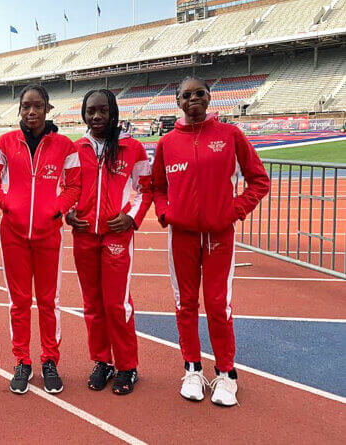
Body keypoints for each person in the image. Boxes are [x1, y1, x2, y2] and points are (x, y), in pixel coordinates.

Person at [151, 75, 269, 406]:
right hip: (182, 237)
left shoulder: (230, 135)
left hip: (219, 237)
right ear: (177, 101)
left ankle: (226, 374)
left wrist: (234, 210)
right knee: (185, 303)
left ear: (209, 97)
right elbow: (157, 187)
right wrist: (165, 214)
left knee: (218, 305)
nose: (193, 99)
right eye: (186, 95)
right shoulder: (166, 143)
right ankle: (192, 369)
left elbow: (258, 180)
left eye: (199, 93)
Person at [0, 84, 81, 395]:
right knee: (19, 302)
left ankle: (50, 361)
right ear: (19, 109)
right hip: (12, 234)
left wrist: (57, 210)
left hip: (48, 234)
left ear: (47, 109)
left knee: (49, 301)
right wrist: (8, 206)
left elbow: (74, 187)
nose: (31, 111)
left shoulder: (65, 146)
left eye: (37, 105)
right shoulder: (4, 142)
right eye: (26, 106)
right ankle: (22, 361)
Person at [66, 89, 151, 395]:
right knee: (92, 303)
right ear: (84, 114)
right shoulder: (75, 149)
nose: (97, 116)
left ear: (113, 112)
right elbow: (67, 188)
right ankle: (103, 361)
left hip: (117, 234)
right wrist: (69, 212)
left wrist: (131, 217)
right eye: (91, 111)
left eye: (103, 110)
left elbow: (145, 189)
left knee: (117, 303)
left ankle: (128, 365)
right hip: (84, 234)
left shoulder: (132, 148)